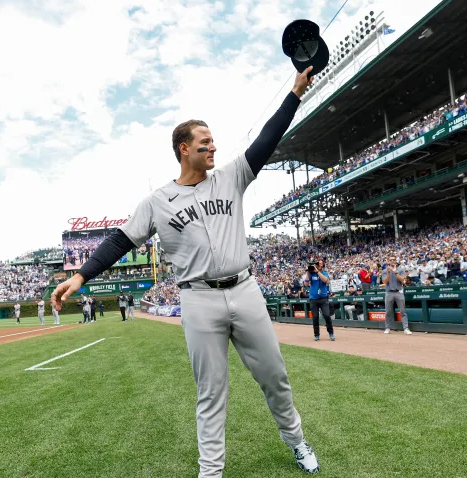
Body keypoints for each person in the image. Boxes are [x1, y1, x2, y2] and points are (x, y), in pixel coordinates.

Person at [50, 66, 319, 477]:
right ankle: (210, 472)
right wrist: (82, 274)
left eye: (213, 141)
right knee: (211, 393)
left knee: (275, 377)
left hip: (245, 291)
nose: (214, 147)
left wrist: (295, 94)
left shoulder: (231, 176)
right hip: (198, 299)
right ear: (183, 149)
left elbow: (268, 138)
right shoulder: (158, 201)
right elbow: (120, 241)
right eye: (205, 142)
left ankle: (298, 442)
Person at [303, 259, 334, 341]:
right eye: (317, 263)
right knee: (315, 317)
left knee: (327, 315)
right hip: (313, 299)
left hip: (323, 298)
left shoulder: (324, 273)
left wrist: (317, 272)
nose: (318, 265)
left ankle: (331, 333)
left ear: (322, 265)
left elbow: (325, 280)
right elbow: (306, 284)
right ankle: (316, 335)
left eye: (320, 264)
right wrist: (308, 272)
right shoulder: (311, 273)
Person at [383, 262, 411, 335]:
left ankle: (406, 328)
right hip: (389, 292)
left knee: (403, 311)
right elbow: (385, 282)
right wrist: (389, 273)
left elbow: (402, 280)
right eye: (391, 260)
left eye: (393, 260)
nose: (392, 262)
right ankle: (387, 328)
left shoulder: (400, 270)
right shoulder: (385, 270)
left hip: (399, 292)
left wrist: (396, 273)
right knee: (388, 311)